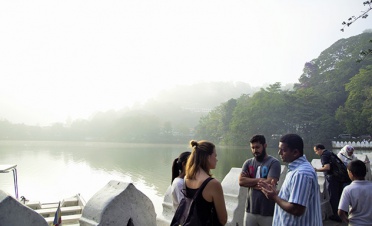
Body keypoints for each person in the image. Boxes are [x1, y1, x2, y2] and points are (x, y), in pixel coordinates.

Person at [258, 134, 322, 226]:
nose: (279, 153)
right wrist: (277, 192)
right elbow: (294, 194)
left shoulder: (301, 173)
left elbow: (296, 209)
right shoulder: (297, 169)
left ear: (295, 152)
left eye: (283, 150)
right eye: (279, 149)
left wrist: (274, 197)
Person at [239, 134, 281, 226]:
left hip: (267, 211)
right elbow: (241, 181)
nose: (255, 150)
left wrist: (250, 181)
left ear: (265, 146)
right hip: (250, 210)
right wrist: (261, 180)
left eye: (257, 147)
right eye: (252, 148)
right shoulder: (248, 162)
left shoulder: (274, 163)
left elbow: (270, 183)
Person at [184, 140, 227, 225]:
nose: (217, 159)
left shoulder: (187, 178)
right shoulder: (213, 184)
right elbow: (223, 219)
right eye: (215, 155)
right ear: (208, 157)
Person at [313, 144, 343, 222]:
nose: (316, 153)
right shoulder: (330, 153)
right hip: (339, 177)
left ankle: (337, 216)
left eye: (316, 151)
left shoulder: (324, 155)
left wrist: (316, 169)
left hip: (332, 178)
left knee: (333, 197)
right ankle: (342, 213)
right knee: (339, 195)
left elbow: (327, 167)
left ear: (319, 149)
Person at [338, 160, 372, 225]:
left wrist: (348, 221)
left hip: (355, 223)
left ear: (351, 173)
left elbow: (340, 212)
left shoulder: (348, 189)